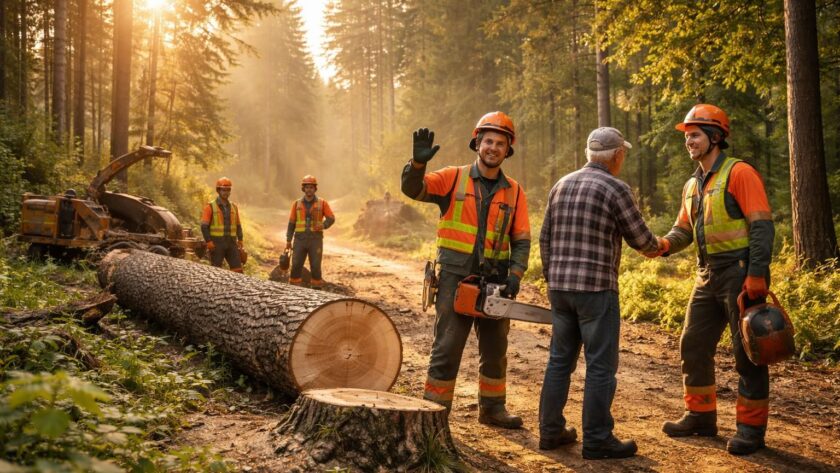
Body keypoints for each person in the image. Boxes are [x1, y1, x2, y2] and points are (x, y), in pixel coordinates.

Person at [539, 127, 665, 459]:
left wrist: (553, 276)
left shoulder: (561, 184)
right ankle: (597, 439)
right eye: (623, 153)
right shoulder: (615, 188)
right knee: (599, 367)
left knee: (558, 361)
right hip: (596, 290)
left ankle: (550, 432)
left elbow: (545, 236)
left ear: (589, 153)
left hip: (560, 288)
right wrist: (663, 246)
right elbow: (641, 240)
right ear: (617, 155)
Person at [401, 111, 530, 429]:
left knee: (496, 347)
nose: (493, 147)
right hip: (454, 279)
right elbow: (412, 190)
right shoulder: (452, 177)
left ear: (507, 149)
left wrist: (515, 274)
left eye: (500, 143)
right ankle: (434, 414)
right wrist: (417, 165)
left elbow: (522, 240)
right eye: (488, 141)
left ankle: (493, 409)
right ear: (477, 143)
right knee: (447, 345)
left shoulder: (514, 191)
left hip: (497, 281)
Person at [659, 104, 775, 456]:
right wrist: (661, 245)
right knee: (692, 344)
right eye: (687, 136)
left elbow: (761, 226)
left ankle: (751, 430)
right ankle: (700, 415)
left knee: (749, 354)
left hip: (739, 274)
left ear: (716, 137)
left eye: (695, 134)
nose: (689, 141)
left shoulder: (739, 173)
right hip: (706, 274)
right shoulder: (692, 184)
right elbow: (683, 230)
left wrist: (756, 274)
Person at [285, 175, 335, 287]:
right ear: (303, 189)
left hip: (315, 240)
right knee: (296, 265)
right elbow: (291, 223)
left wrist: (323, 225)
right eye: (307, 187)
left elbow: (331, 218)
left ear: (315, 189)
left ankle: (316, 293)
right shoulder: (296, 204)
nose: (309, 189)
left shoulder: (322, 203)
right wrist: (288, 240)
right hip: (299, 240)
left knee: (316, 267)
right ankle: (293, 290)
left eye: (311, 187)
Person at [201, 177, 244, 272]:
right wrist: (208, 242)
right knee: (215, 272)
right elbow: (204, 227)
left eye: (228, 190)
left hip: (232, 243)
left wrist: (240, 239)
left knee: (238, 271)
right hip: (217, 244)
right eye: (223, 190)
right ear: (218, 190)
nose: (226, 192)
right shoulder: (210, 207)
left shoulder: (234, 207)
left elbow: (238, 225)